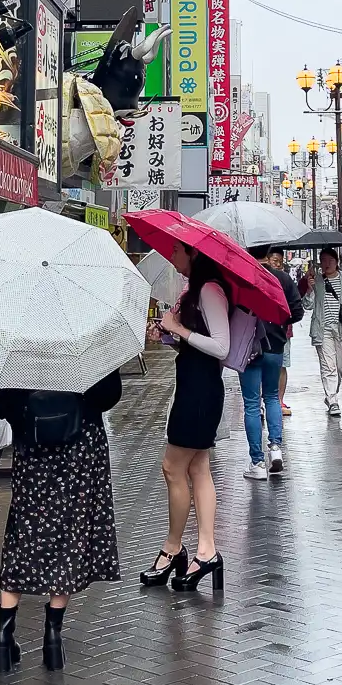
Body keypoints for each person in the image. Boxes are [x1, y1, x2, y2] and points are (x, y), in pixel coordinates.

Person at [0, 370, 123, 673]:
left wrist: (22, 414)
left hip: (31, 445)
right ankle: (52, 637)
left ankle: (3, 638)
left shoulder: (18, 336)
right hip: (81, 445)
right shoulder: (89, 334)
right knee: (70, 537)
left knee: (23, 535)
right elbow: (109, 394)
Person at [140, 245, 231, 592]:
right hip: (194, 386)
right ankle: (205, 551)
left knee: (172, 467)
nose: (171, 256)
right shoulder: (194, 291)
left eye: (176, 251)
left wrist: (178, 327)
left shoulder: (210, 290)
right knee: (197, 468)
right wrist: (167, 336)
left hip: (200, 393)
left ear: (193, 254)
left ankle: (173, 548)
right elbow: (196, 346)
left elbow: (221, 347)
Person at [241, 246, 303, 479]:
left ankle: (257, 462)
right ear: (268, 254)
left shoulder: (243, 277)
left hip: (248, 348)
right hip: (275, 345)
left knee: (251, 403)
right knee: (272, 397)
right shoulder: (283, 279)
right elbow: (297, 311)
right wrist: (278, 321)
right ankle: (275, 449)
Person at [304, 247, 342, 418]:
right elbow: (307, 305)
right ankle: (333, 400)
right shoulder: (317, 281)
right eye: (323, 260)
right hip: (323, 329)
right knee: (328, 366)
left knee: (339, 365)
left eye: (330, 260)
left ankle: (331, 394)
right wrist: (309, 290)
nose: (327, 264)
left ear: (337, 262)